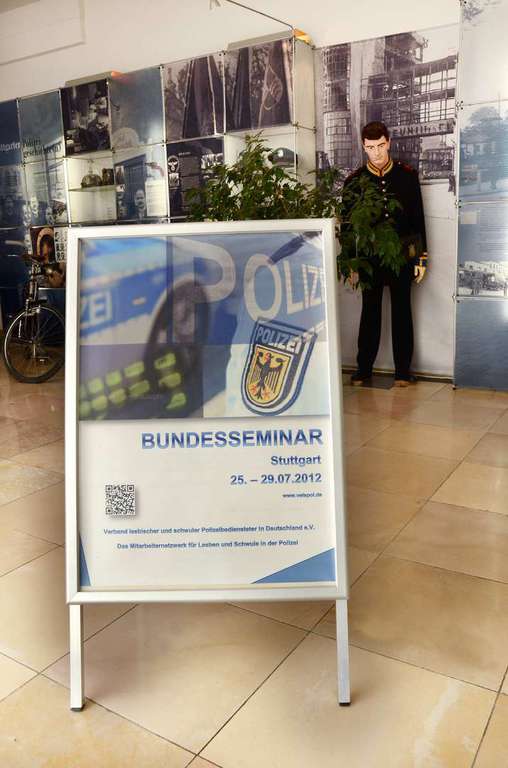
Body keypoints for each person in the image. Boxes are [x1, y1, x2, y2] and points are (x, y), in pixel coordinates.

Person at [344, 121, 428, 387]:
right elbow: (347, 227)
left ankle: (403, 371)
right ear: (363, 146)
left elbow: (417, 219)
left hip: (401, 255)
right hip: (369, 258)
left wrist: (421, 257)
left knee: (402, 311)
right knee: (370, 312)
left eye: (380, 145)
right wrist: (351, 263)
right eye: (370, 147)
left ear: (388, 142)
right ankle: (363, 369)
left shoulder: (407, 176)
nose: (377, 152)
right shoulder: (354, 182)